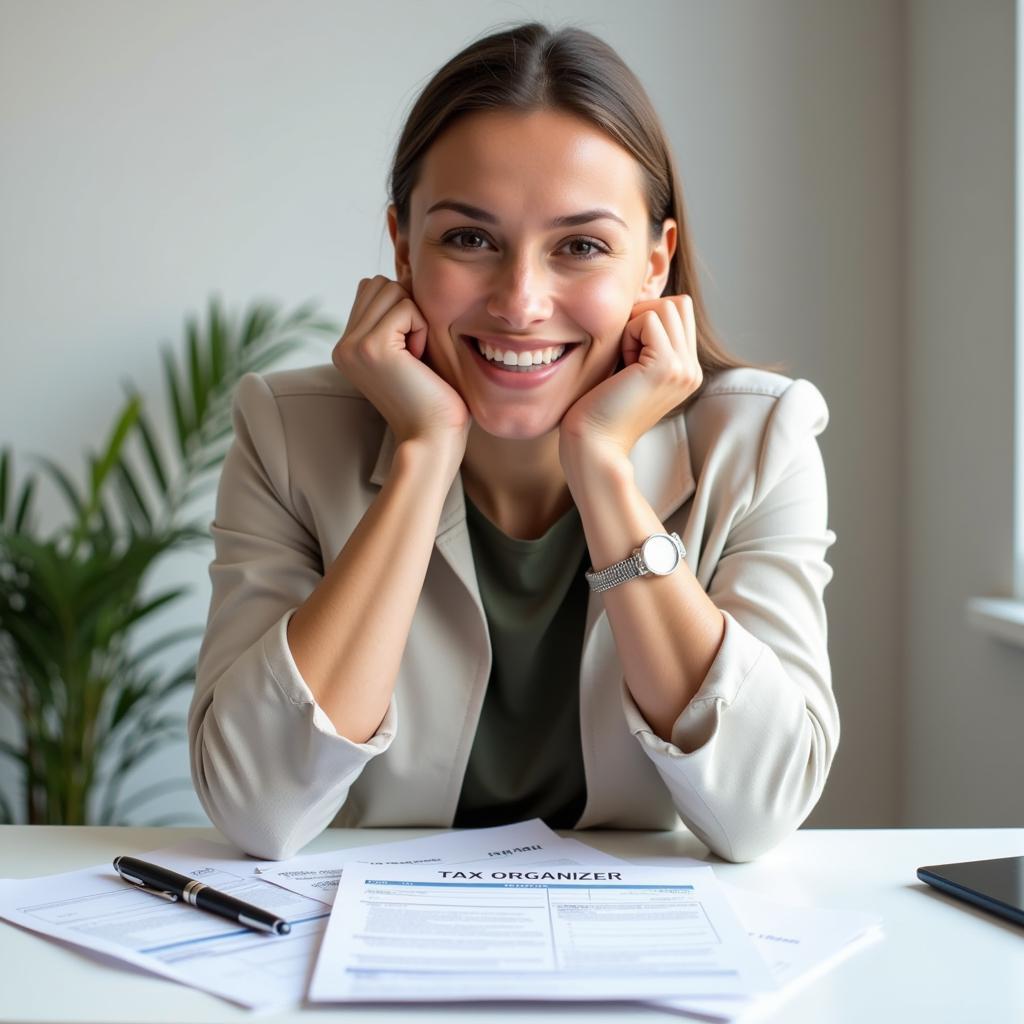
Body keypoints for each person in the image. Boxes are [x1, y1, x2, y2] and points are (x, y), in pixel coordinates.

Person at [187, 21, 839, 863]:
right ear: (402, 247)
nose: (521, 300)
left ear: (654, 262)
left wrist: (604, 470)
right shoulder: (286, 433)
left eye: (580, 246)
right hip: (368, 952)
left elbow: (760, 812)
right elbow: (256, 807)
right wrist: (425, 454)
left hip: (641, 957)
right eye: (469, 239)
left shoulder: (758, 439)